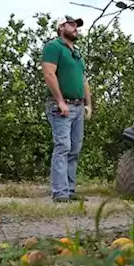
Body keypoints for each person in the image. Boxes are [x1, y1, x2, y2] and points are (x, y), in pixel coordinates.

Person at [40, 16, 93, 201]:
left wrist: (88, 104)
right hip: (61, 106)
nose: (76, 28)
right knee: (63, 147)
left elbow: (83, 80)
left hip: (78, 106)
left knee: (74, 149)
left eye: (77, 25)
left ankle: (70, 191)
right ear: (61, 27)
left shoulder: (77, 53)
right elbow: (49, 74)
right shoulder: (53, 47)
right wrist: (60, 101)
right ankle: (60, 193)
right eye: (72, 24)